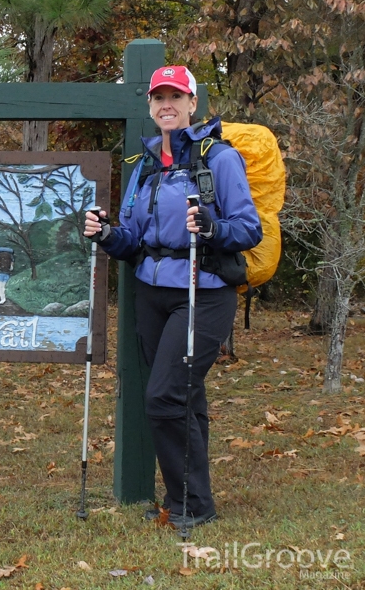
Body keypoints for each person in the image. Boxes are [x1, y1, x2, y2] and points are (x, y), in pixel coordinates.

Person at [84, 66, 262, 529]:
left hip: (203, 292)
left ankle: (188, 505)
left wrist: (211, 226)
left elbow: (248, 228)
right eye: (159, 97)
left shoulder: (219, 158)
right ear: (150, 106)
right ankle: (192, 500)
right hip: (153, 293)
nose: (167, 104)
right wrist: (106, 233)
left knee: (164, 396)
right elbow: (133, 241)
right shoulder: (144, 166)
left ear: (192, 103)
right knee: (185, 398)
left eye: (176, 96)